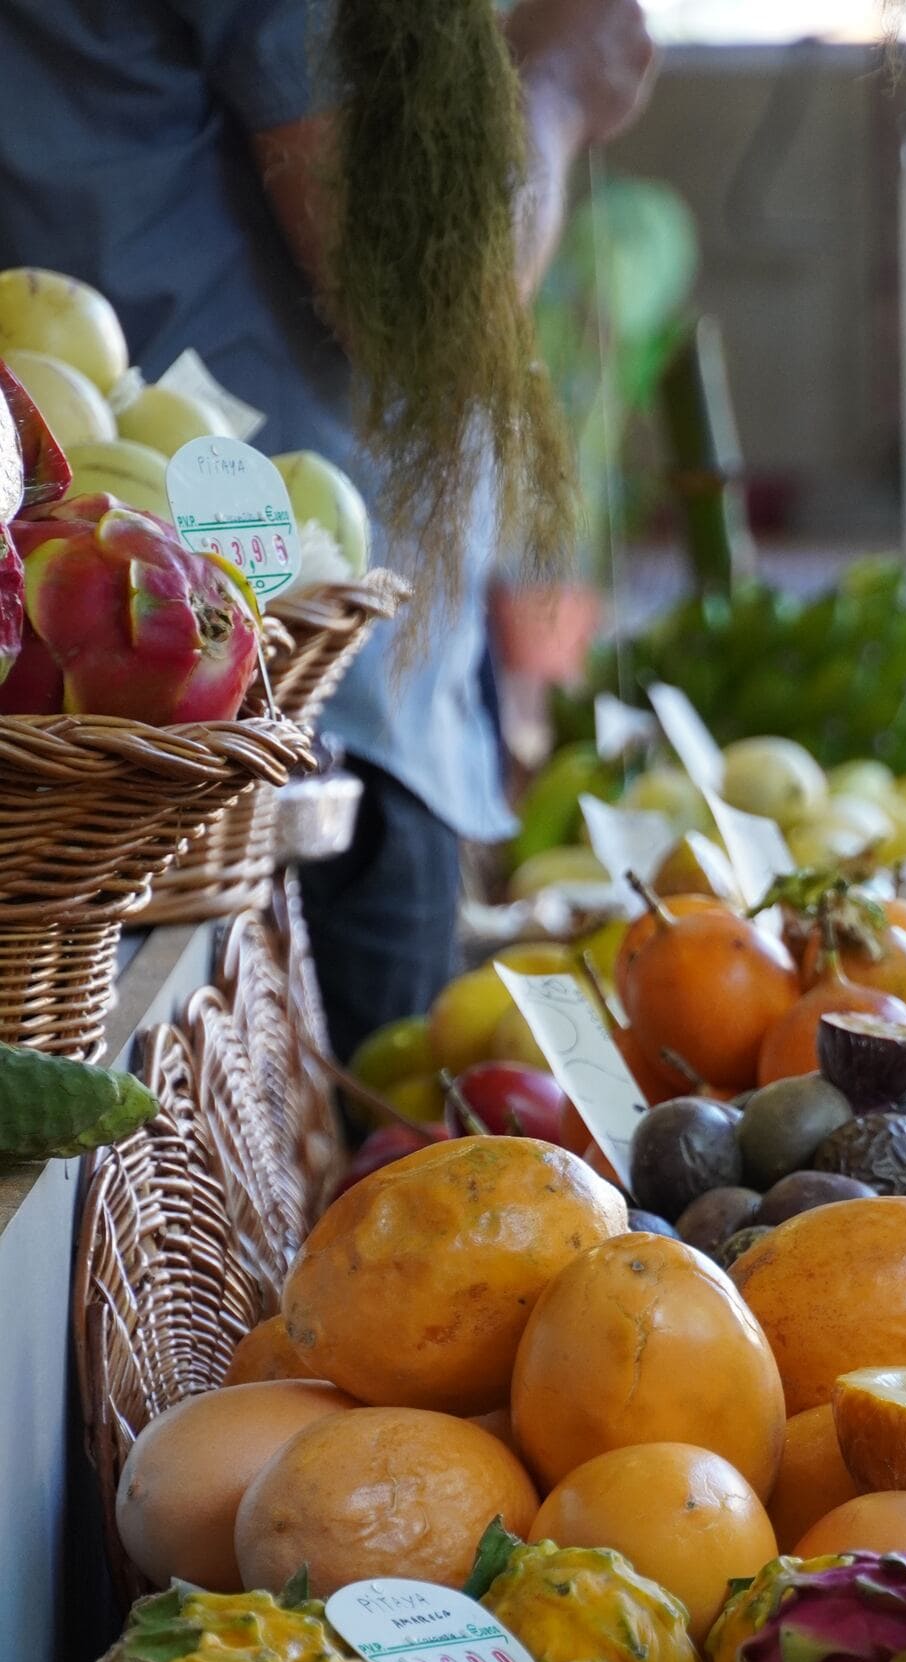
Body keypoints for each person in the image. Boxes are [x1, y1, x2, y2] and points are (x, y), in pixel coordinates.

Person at [0, 0, 656, 1058]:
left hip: (135, 729)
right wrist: (562, 82)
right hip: (279, 728)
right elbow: (432, 310)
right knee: (310, 1196)